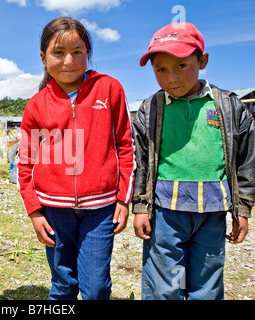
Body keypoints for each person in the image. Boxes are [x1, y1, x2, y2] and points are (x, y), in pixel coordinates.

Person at [132, 22, 254, 300]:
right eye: (161, 70)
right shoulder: (151, 109)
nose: (171, 78)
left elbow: (246, 159)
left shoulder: (228, 106)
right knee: (162, 283)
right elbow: (141, 161)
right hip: (164, 213)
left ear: (202, 60)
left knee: (207, 282)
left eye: (181, 66)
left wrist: (243, 209)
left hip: (212, 213)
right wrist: (140, 206)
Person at [18, 17, 136, 300]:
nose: (68, 60)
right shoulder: (36, 105)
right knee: (62, 283)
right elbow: (25, 162)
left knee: (95, 287)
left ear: (88, 53)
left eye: (78, 51)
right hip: (53, 210)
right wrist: (34, 210)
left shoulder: (109, 89)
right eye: (58, 52)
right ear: (43, 57)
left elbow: (125, 145)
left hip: (101, 210)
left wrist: (123, 198)